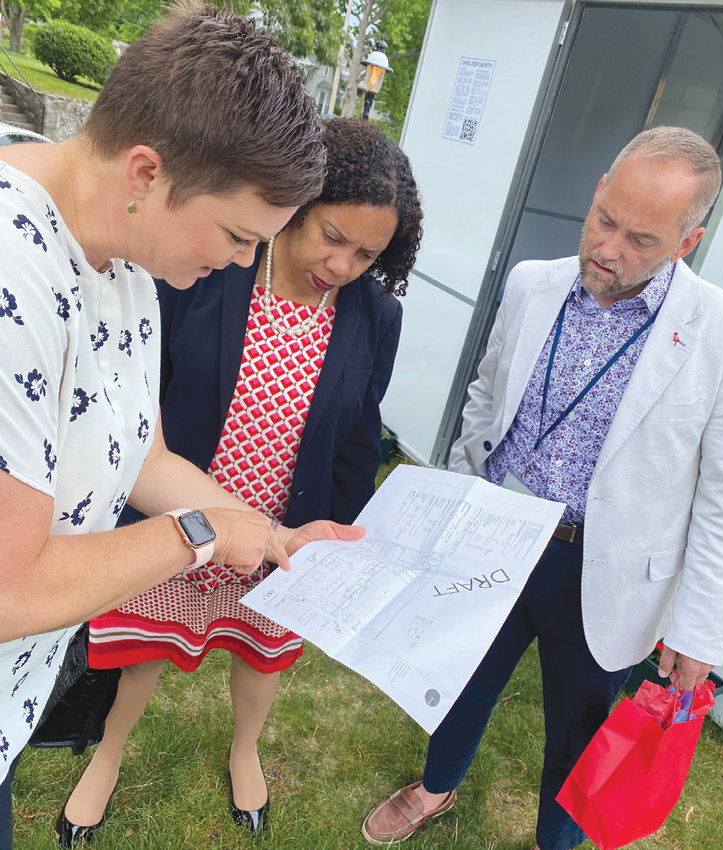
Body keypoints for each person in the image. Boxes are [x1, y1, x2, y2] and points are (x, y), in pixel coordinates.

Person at [0, 5, 365, 848]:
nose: (243, 263)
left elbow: (145, 456)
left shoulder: (127, 259)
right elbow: (10, 588)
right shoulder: (16, 275)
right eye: (239, 235)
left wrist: (269, 535)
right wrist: (198, 536)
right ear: (145, 173)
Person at [362, 126, 723, 850]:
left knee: (580, 728)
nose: (608, 249)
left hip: (605, 571)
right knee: (461, 678)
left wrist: (697, 634)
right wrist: (457, 495)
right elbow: (485, 392)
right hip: (498, 535)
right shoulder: (532, 281)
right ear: (600, 186)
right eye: (606, 219)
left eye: (641, 240)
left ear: (684, 243)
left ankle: (553, 843)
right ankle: (435, 787)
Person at [56, 117, 423, 843]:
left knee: (260, 657)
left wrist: (343, 540)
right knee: (142, 652)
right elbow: (141, 396)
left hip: (288, 534)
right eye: (331, 236)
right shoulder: (208, 269)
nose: (344, 265)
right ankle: (109, 753)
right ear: (294, 204)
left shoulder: (375, 315)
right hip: (178, 515)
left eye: (367, 253)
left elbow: (358, 435)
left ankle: (244, 748)